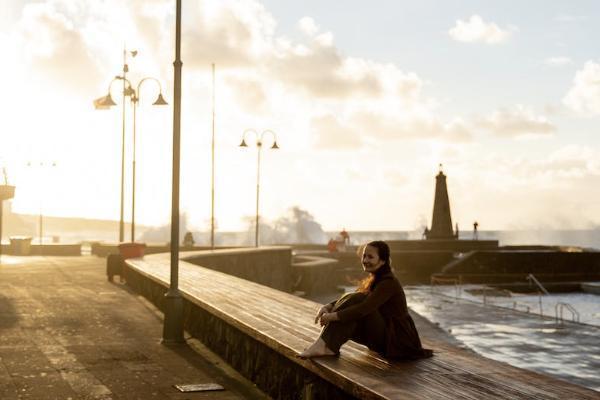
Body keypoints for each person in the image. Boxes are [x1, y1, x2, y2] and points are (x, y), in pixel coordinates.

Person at [299, 240, 433, 360]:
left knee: (358, 301)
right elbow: (353, 298)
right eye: (364, 256)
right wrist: (328, 306)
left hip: (398, 342)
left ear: (382, 261)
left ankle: (324, 346)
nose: (365, 260)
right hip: (387, 337)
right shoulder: (375, 278)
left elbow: (363, 308)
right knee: (355, 299)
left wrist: (331, 317)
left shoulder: (388, 282)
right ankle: (326, 347)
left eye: (370, 257)